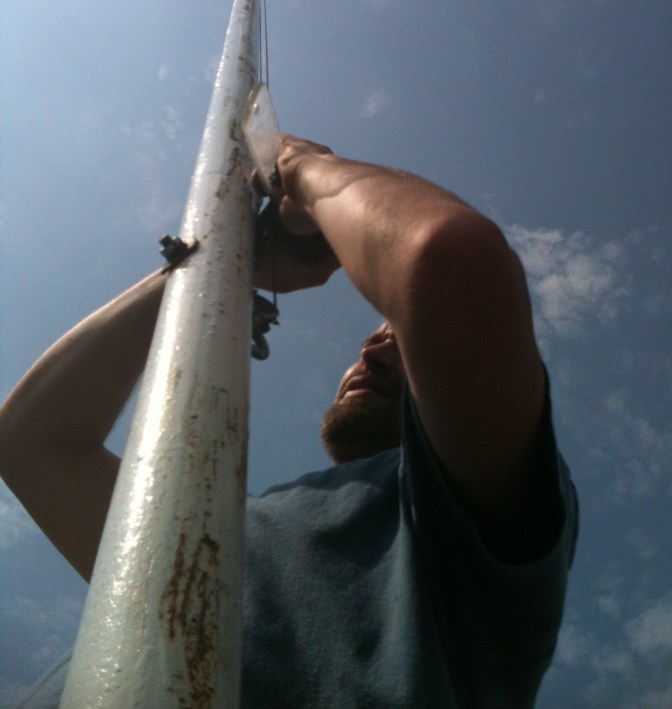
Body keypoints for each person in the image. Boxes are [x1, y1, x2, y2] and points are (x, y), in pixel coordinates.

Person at [0, 135, 578, 708]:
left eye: (402, 342)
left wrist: (308, 170)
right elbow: (31, 443)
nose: (371, 353)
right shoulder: (223, 526)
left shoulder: (473, 520)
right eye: (371, 340)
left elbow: (448, 261)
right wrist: (225, 260)